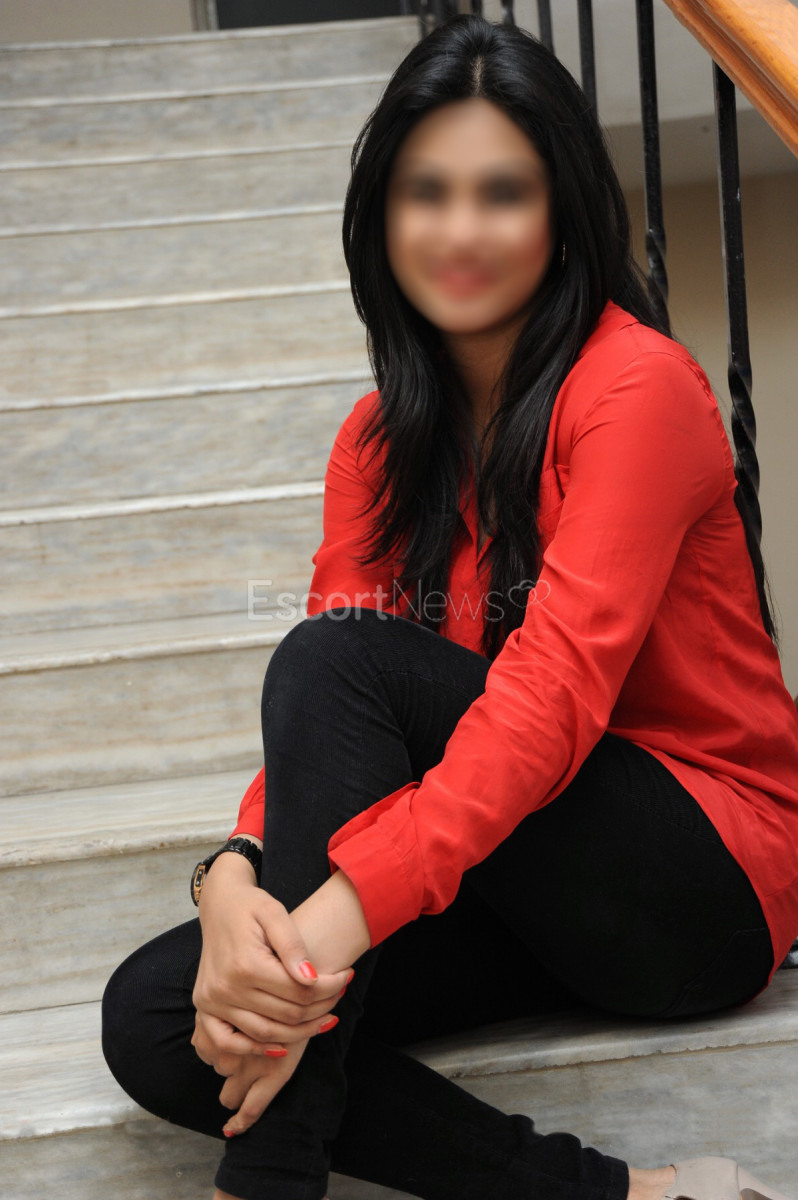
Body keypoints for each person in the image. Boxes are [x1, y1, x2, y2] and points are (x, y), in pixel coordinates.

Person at [102, 15, 798, 1200]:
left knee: (337, 662)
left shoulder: (637, 388)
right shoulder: (379, 442)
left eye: (502, 193)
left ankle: (266, 1180)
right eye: (428, 192)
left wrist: (333, 920)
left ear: (562, 214)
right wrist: (237, 878)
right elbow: (328, 738)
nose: (461, 230)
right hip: (513, 882)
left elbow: (545, 701)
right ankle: (629, 1196)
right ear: (383, 214)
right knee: (165, 1014)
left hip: (697, 888)